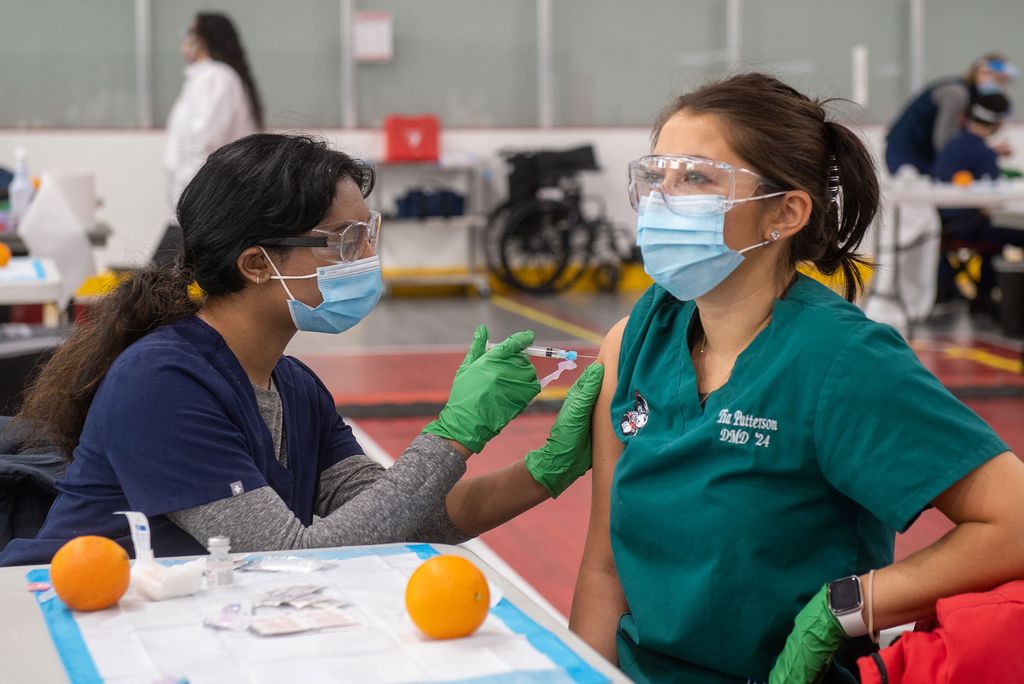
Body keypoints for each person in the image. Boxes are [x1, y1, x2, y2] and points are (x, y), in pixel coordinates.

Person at [569, 72, 1024, 683]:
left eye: (696, 178)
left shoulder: (845, 362)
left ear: (783, 214)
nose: (662, 200)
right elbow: (604, 567)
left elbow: (1014, 523)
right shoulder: (633, 343)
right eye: (656, 177)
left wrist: (845, 610)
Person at [0, 133, 603, 566]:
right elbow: (288, 556)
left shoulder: (292, 385)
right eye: (343, 241)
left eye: (370, 235)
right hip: (71, 627)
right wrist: (452, 433)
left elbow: (399, 518)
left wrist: (544, 469)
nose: (367, 257)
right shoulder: (163, 381)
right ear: (258, 264)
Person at [156, 12, 262, 266]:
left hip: (208, 204)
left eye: (190, 32)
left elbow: (203, 143)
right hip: (199, 204)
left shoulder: (218, 78)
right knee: (169, 285)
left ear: (204, 40)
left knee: (163, 286)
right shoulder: (202, 79)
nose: (184, 39)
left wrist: (189, 201)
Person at [932, 91, 1024, 310]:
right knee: (1007, 232)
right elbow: (987, 206)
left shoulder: (953, 144)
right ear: (999, 122)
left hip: (944, 224)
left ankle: (981, 293)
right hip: (968, 225)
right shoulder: (984, 153)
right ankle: (989, 293)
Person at [884, 53, 1016, 176]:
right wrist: (984, 152)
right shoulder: (956, 94)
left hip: (925, 154)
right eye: (995, 78)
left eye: (1003, 81)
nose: (999, 84)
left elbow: (962, 138)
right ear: (979, 72)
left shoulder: (972, 97)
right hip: (907, 154)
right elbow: (944, 142)